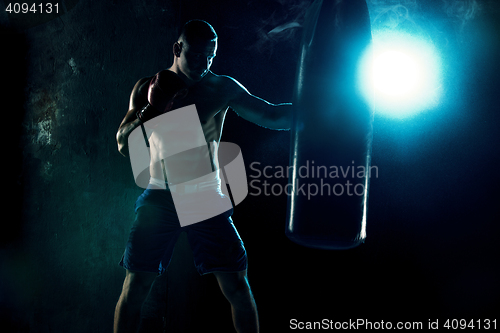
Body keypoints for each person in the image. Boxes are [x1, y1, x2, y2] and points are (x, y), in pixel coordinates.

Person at [114, 19, 291, 333]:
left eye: (209, 57)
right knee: (136, 285)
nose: (202, 64)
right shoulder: (147, 87)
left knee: (237, 286)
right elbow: (124, 145)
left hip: (203, 194)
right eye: (195, 56)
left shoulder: (221, 87)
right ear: (177, 49)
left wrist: (317, 109)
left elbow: (272, 115)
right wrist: (151, 110)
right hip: (160, 194)